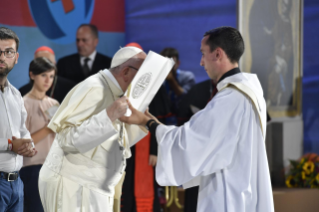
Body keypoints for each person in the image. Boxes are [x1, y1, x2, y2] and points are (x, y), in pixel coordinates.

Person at [120, 27, 274, 212]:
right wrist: (152, 121)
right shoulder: (249, 90)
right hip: (243, 187)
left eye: (203, 54)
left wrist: (146, 122)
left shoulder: (229, 99)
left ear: (217, 54)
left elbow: (188, 142)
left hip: (228, 194)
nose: (201, 62)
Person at [38, 46, 148, 212]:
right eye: (143, 76)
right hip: (73, 186)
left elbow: (118, 143)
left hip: (94, 188)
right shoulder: (94, 87)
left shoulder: (118, 93)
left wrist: (141, 120)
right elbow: (67, 138)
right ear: (126, 72)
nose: (144, 83)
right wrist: (108, 116)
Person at [121, 43, 170, 212]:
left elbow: (158, 119)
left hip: (144, 143)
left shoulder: (154, 85)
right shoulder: (119, 82)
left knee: (142, 186)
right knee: (124, 186)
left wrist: (155, 150)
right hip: (123, 143)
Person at [0, 26, 37, 211]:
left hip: (16, 183)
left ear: (16, 57)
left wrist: (29, 146)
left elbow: (22, 130)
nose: (2, 57)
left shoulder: (15, 94)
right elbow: (11, 141)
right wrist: (9, 144)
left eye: (8, 52)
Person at [20, 57, 60, 212]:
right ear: (32, 75)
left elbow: (60, 138)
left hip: (53, 168)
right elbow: (23, 143)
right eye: (43, 75)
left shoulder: (54, 104)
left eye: (51, 76)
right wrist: (50, 128)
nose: (48, 80)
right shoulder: (23, 103)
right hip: (32, 168)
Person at [160, 47, 195, 125]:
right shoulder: (158, 80)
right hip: (162, 120)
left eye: (172, 63)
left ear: (178, 63)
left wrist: (171, 79)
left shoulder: (188, 77)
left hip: (183, 120)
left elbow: (185, 97)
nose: (168, 66)